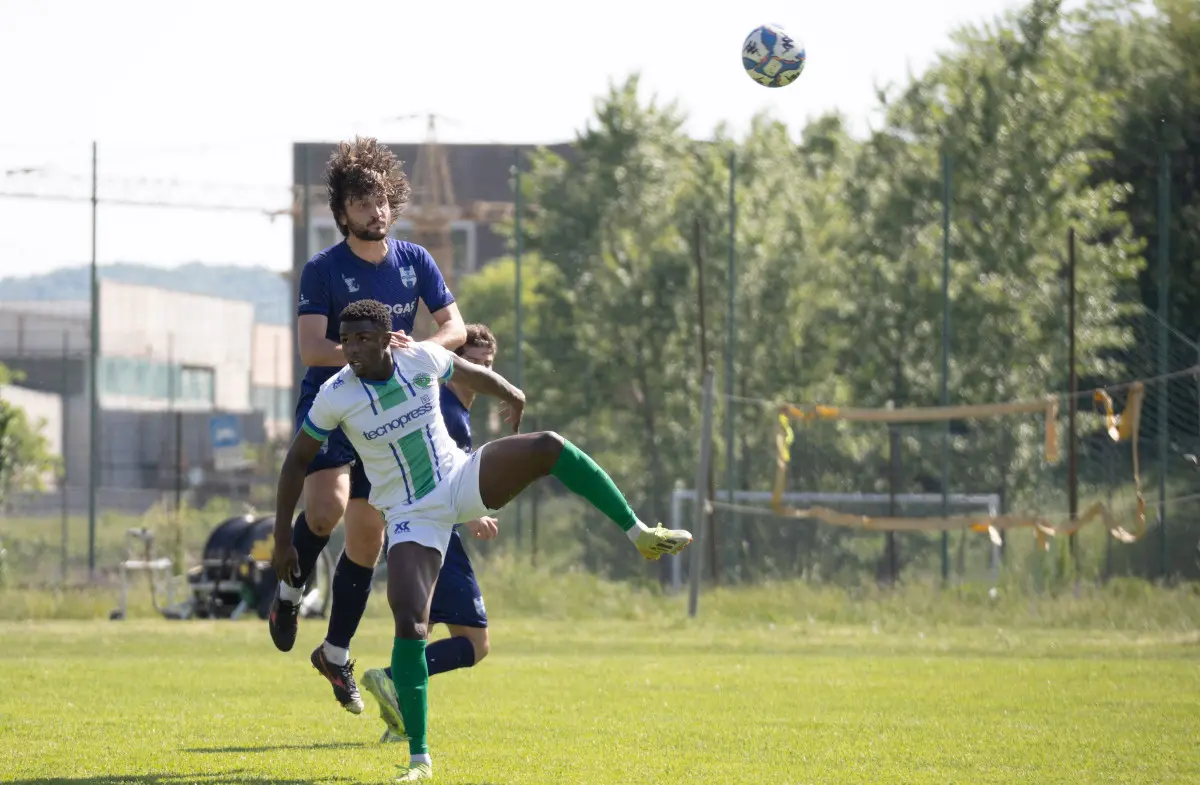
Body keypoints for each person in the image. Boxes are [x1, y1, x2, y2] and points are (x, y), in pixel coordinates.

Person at [272, 299, 692, 782]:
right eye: (346, 340)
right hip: (411, 515)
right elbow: (295, 463)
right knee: (410, 619)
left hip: (460, 479)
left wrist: (511, 392)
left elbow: (469, 371)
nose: (352, 349)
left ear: (389, 339)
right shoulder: (335, 394)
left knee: (548, 445)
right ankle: (419, 760)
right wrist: (284, 540)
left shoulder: (420, 357)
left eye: (363, 338)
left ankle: (640, 534)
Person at [269, 137, 467, 717]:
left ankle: (334, 652)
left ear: (392, 202)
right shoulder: (324, 269)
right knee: (325, 512)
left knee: (366, 538)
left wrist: (415, 349)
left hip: (390, 413)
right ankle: (288, 586)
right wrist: (365, 351)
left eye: (380, 200)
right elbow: (311, 348)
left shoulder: (415, 262)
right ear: (342, 212)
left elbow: (454, 327)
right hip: (340, 404)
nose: (373, 211)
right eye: (360, 203)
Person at [360, 323, 499, 744]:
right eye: (470, 362)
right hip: (437, 536)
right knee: (475, 644)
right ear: (454, 363)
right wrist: (469, 515)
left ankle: (400, 723)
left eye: (487, 364)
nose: (478, 370)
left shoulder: (450, 405)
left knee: (422, 630)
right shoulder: (448, 411)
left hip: (412, 532)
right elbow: (442, 479)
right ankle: (388, 678)